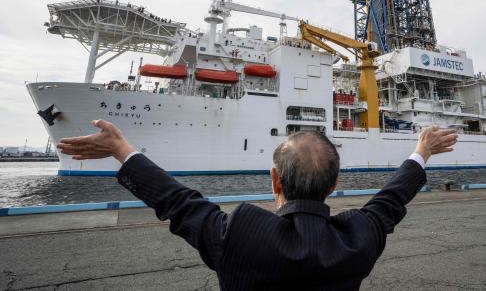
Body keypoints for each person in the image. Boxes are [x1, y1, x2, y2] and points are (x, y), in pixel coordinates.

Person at [58, 121, 456, 290]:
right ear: (334, 185)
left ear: (274, 180)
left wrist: (122, 150)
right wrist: (421, 150)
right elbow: (391, 199)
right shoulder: (358, 237)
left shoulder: (240, 234)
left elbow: (179, 202)